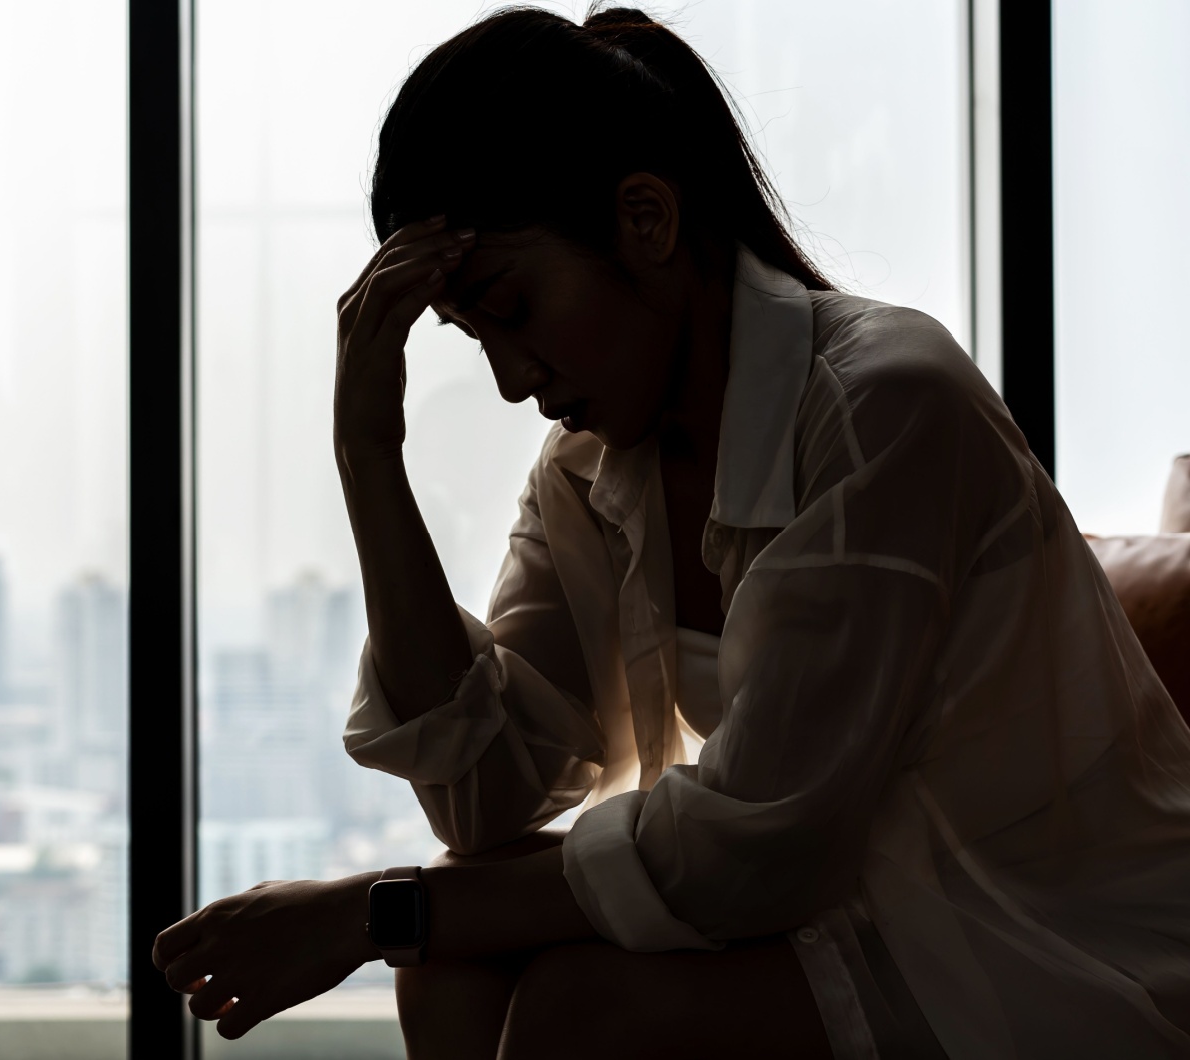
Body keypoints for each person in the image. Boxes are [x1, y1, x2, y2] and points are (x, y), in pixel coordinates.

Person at [154, 7, 1190, 1057]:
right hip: (861, 911)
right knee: (451, 966)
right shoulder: (594, 467)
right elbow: (486, 796)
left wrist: (366, 912)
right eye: (474, 338)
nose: (512, 379)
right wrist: (369, 455)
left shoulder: (881, 405)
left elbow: (755, 847)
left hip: (1049, 931)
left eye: (513, 305)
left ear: (645, 219)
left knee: (578, 1007)